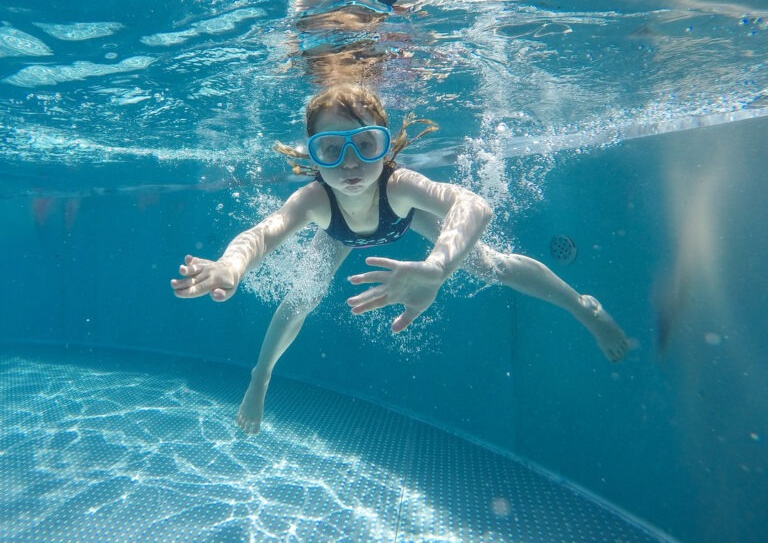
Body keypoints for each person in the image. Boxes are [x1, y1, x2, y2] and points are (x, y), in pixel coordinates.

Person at [170, 83, 630, 435]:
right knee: (301, 298)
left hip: (403, 218)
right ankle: (260, 376)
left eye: (365, 146)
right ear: (313, 157)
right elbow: (262, 234)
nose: (350, 164)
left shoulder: (399, 185)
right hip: (338, 233)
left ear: (386, 147)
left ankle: (581, 306)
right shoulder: (314, 199)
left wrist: (436, 268)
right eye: (331, 149)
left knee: (493, 266)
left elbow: (474, 206)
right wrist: (230, 266)